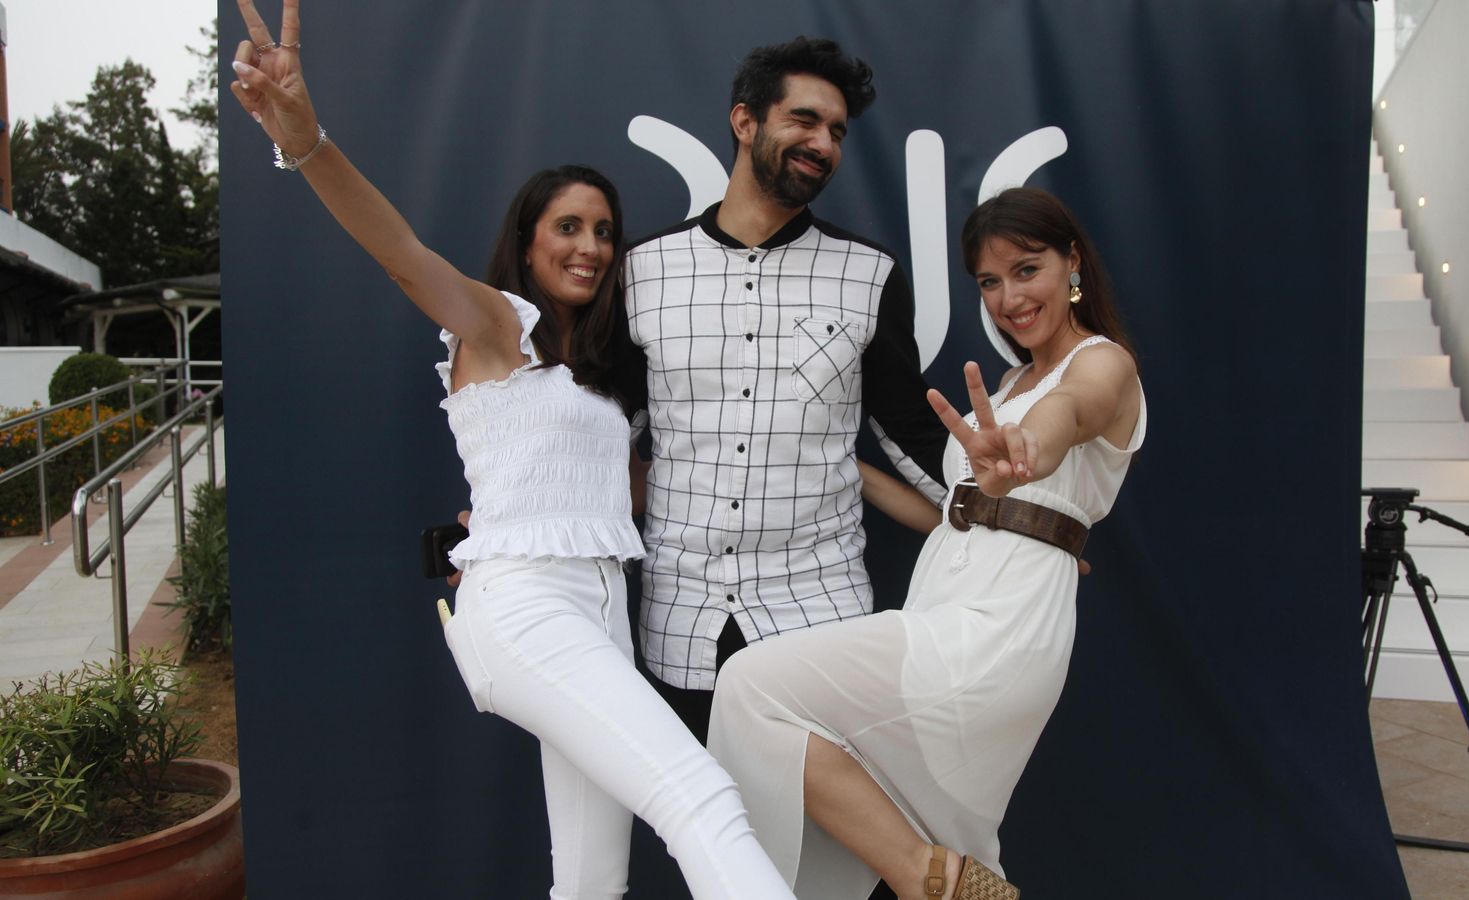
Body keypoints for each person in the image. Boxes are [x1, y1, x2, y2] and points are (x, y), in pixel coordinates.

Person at [225, 3, 795, 898]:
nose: (592, 246)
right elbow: (400, 255)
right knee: (700, 795)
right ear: (528, 240)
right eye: (568, 226)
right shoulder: (496, 324)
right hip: (526, 607)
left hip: (605, 605)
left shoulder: (599, 371)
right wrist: (305, 140)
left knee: (593, 877)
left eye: (604, 230)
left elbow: (630, 489)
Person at [707, 187, 1147, 900]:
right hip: (945, 600)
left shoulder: (1103, 365)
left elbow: (1074, 410)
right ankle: (947, 879)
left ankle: (924, 877)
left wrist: (1031, 447)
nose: (1009, 297)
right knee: (777, 719)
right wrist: (834, 462)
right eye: (990, 281)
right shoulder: (1009, 384)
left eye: (1026, 269)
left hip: (1000, 624)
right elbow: (950, 511)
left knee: (752, 688)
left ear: (1073, 265)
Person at [622, 37, 949, 744]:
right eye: (804, 120)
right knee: (708, 840)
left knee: (829, 841)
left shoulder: (868, 274)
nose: (823, 143)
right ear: (746, 121)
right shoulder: (643, 271)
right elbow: (605, 433)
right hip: (683, 619)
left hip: (820, 612)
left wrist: (1019, 521)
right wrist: (512, 535)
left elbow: (910, 433)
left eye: (836, 131)